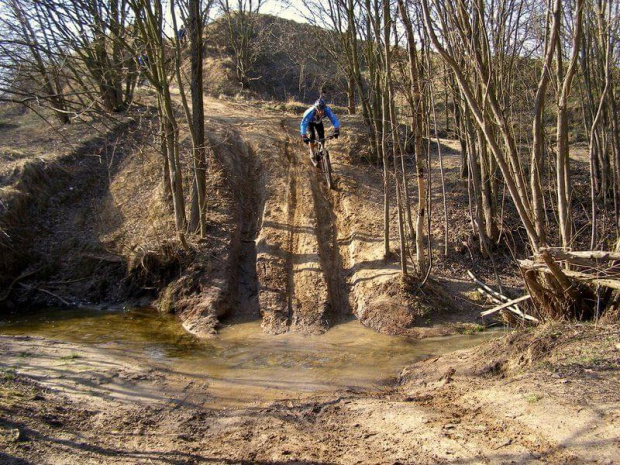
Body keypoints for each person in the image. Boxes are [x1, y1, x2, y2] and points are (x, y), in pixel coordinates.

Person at [300, 98, 340, 166]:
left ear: (325, 108)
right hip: (310, 122)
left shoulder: (327, 110)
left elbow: (334, 120)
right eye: (319, 110)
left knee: (322, 136)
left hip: (318, 121)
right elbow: (303, 125)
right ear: (315, 109)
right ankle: (312, 152)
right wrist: (304, 135)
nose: (321, 112)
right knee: (312, 136)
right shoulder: (309, 113)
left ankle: (321, 149)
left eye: (322, 109)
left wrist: (336, 130)